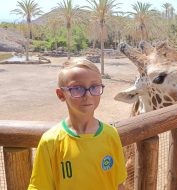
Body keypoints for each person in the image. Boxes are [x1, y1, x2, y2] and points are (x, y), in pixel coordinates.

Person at [28, 59, 127, 190]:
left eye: (94, 87)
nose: (87, 95)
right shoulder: (50, 141)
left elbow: (119, 183)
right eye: (77, 89)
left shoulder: (111, 135)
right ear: (61, 94)